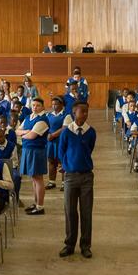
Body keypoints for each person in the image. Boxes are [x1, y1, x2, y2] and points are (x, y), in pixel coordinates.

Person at [58, 101, 96, 258]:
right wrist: (67, 165)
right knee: (70, 211)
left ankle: (85, 245)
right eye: (82, 112)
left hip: (87, 176)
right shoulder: (66, 132)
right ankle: (69, 244)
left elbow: (90, 149)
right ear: (74, 113)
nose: (85, 114)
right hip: (70, 177)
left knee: (86, 212)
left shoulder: (91, 132)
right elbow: (61, 151)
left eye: (87, 112)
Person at [17, 97, 49, 215]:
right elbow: (17, 131)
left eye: (38, 105)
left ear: (42, 107)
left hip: (36, 151)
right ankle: (36, 203)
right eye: (33, 105)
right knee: (33, 179)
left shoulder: (42, 120)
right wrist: (26, 132)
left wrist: (24, 133)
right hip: (27, 150)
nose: (35, 107)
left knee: (38, 178)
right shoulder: (28, 117)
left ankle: (40, 206)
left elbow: (32, 136)